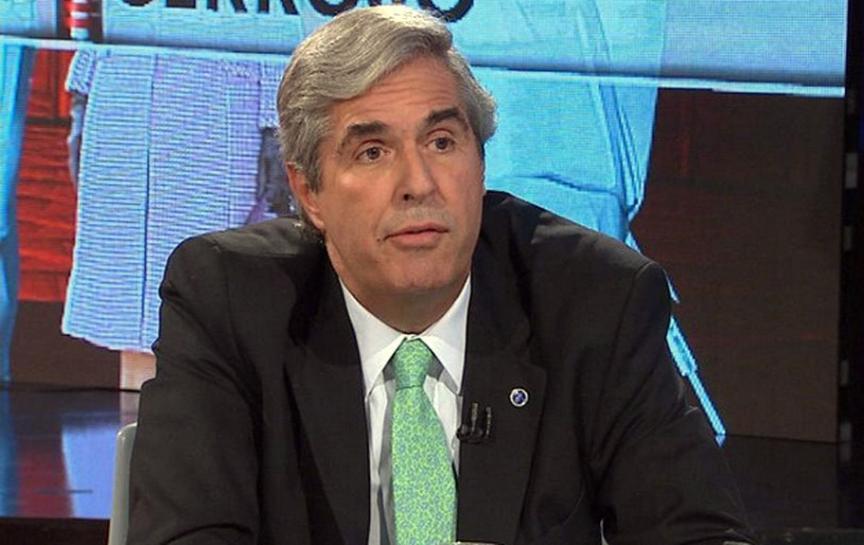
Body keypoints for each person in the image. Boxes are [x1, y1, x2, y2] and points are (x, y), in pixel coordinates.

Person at [128, 5, 753, 545]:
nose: (418, 184)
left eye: (443, 142)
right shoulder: (229, 300)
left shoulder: (595, 299)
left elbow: (696, 533)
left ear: (481, 164)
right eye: (373, 152)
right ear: (309, 193)